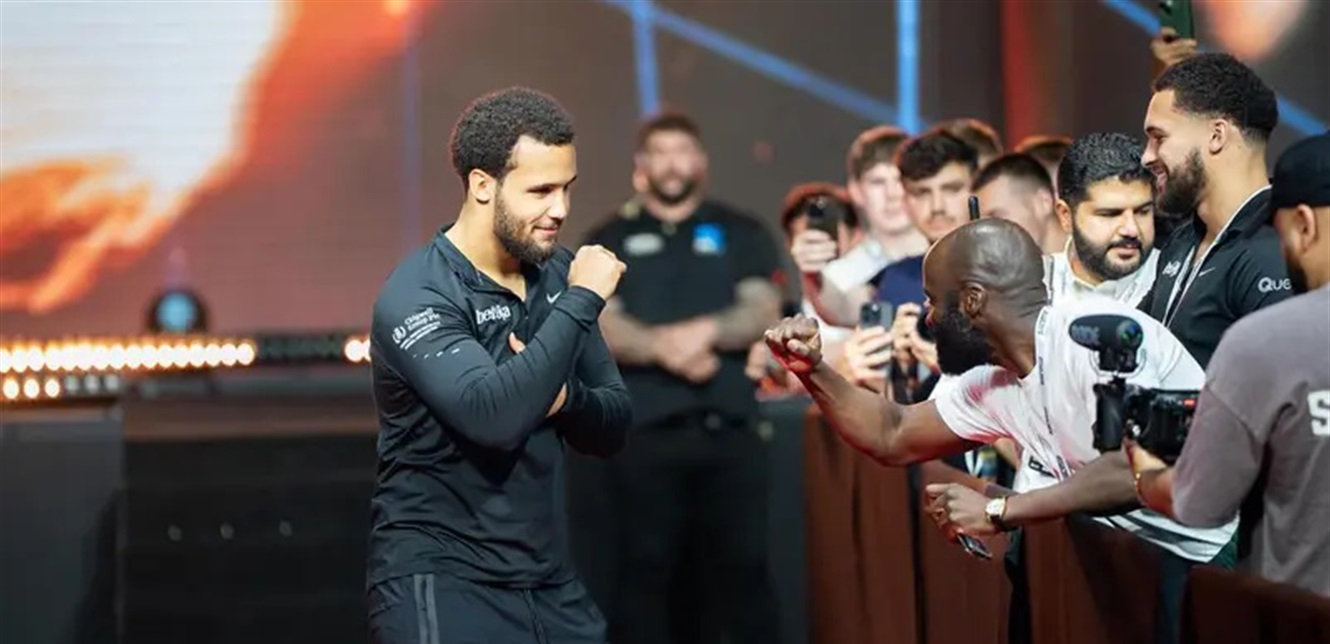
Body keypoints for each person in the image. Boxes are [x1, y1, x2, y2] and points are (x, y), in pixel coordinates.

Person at [764, 219, 1233, 563]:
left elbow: (1134, 469)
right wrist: (814, 370)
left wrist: (998, 510)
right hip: (1128, 568)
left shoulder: (1094, 335)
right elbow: (893, 432)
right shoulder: (994, 377)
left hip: (1204, 566)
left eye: (933, 301)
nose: (928, 318)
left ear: (972, 301)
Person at [364, 87, 632, 644]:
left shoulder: (555, 275)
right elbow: (493, 417)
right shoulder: (420, 293)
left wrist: (566, 399)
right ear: (483, 186)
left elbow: (613, 423)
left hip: (547, 578)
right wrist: (584, 299)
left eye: (566, 188)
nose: (560, 210)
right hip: (443, 577)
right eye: (541, 191)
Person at [590, 112, 783, 644]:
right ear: (641, 165)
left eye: (682, 151)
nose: (672, 164)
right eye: (660, 152)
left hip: (731, 432)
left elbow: (762, 309)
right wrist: (664, 349)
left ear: (701, 161)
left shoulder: (742, 231)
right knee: (643, 575)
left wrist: (704, 331)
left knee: (744, 573)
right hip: (641, 436)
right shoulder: (609, 238)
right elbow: (597, 319)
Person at [1131, 131, 1330, 597]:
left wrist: (1143, 472)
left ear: (1304, 225)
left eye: (1280, 234)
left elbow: (1199, 503)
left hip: (1301, 614)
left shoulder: (1266, 341)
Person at [1138, 53, 1291, 367]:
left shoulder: (1274, 250)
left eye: (1159, 138)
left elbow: (1284, 384)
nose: (1147, 157)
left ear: (1216, 136)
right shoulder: (1182, 241)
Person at [799, 126, 929, 327]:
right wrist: (812, 274)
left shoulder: (950, 256)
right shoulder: (836, 277)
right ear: (856, 190)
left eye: (899, 180)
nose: (892, 194)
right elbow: (844, 312)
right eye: (878, 182)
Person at [1046, 132, 1160, 306]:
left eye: (1142, 212)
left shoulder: (1178, 284)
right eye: (1110, 214)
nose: (1131, 229)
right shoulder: (1033, 287)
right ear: (1066, 216)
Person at [972, 152, 1067, 253]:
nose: (988, 234)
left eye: (996, 218)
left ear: (1043, 202)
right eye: (982, 225)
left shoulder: (1079, 257)